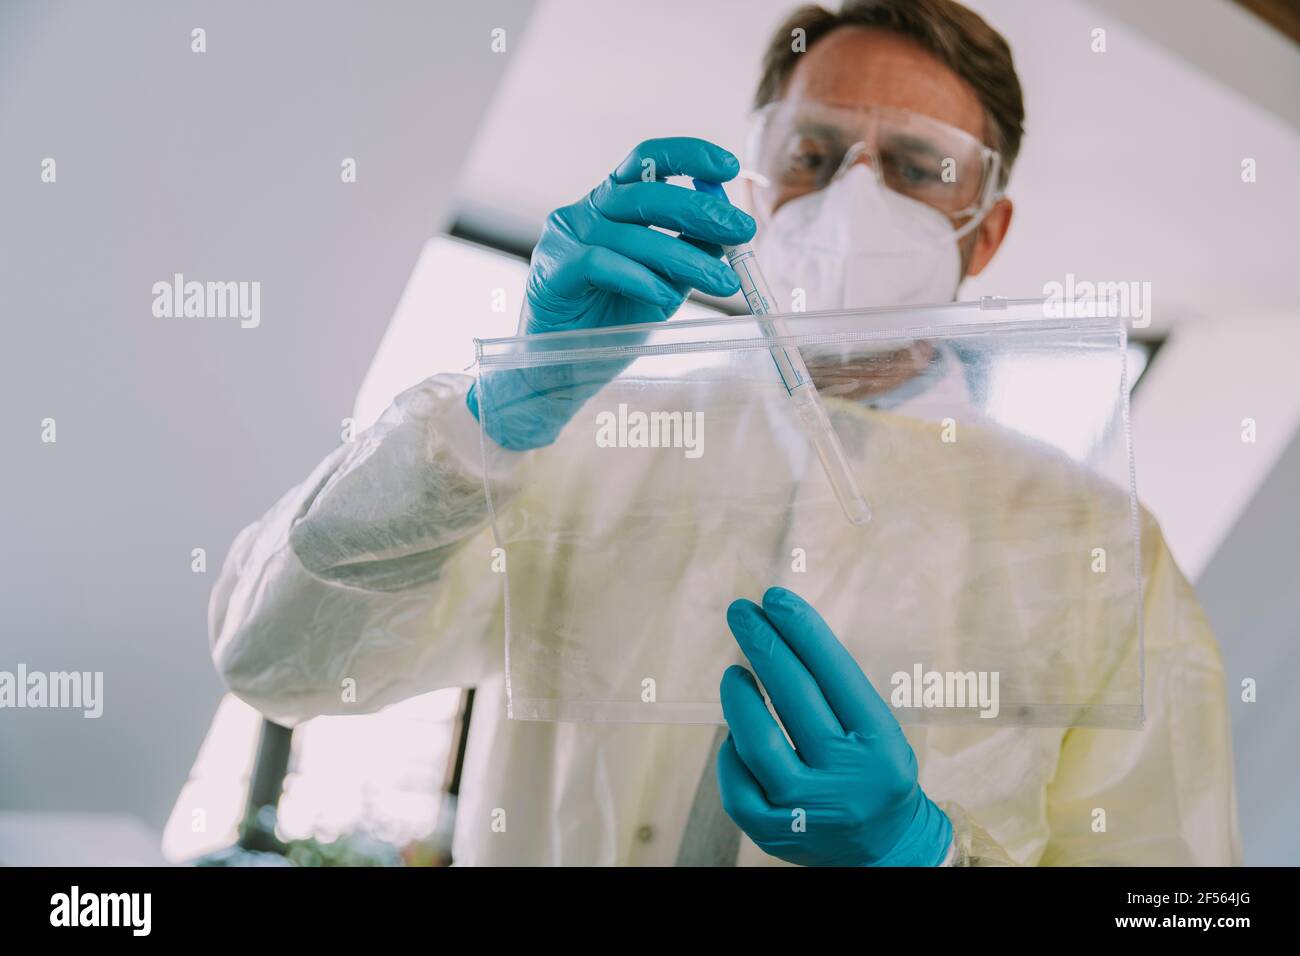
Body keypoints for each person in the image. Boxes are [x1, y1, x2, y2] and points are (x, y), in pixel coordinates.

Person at [209, 0, 1239, 865]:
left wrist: (927, 855)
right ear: (756, 180)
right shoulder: (579, 438)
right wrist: (496, 418)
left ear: (988, 226)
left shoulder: (1103, 552)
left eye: (919, 167)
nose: (853, 196)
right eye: (813, 152)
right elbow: (278, 661)